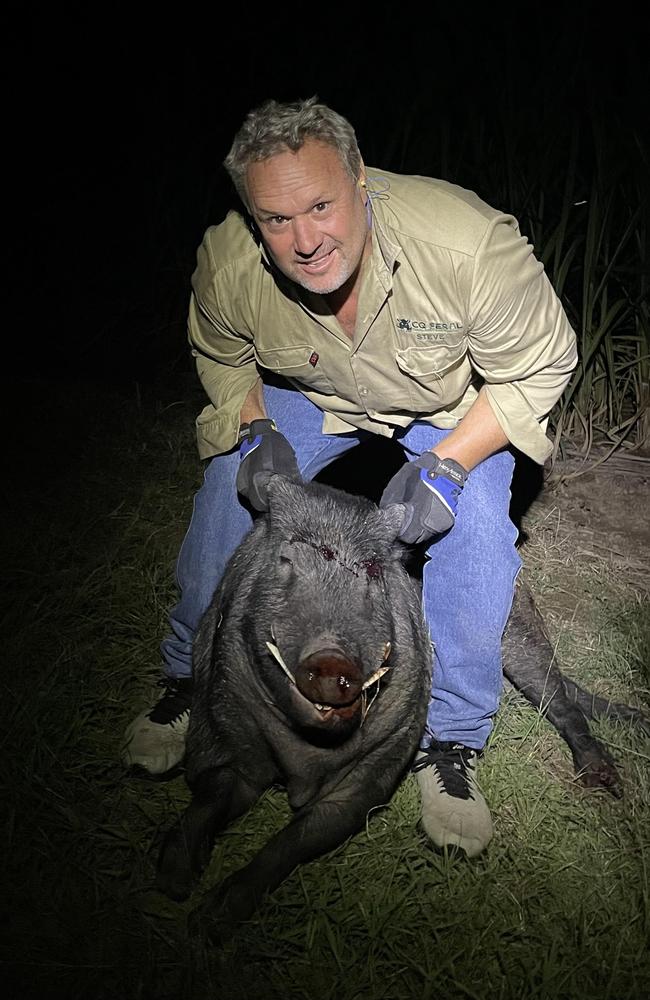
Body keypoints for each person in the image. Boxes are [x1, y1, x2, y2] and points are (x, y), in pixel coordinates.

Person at [122, 97, 577, 857]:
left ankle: (451, 740)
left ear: (361, 181)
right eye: (276, 220)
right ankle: (187, 682)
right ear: (252, 216)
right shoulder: (231, 262)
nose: (304, 241)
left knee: (478, 529)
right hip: (313, 394)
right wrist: (256, 425)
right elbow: (225, 353)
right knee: (231, 486)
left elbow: (541, 367)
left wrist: (449, 465)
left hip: (446, 402)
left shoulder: (467, 246)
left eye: (322, 206)